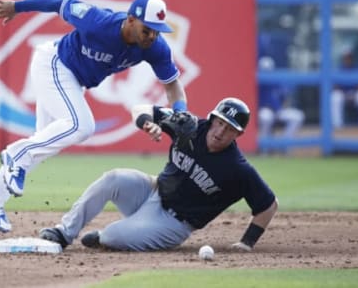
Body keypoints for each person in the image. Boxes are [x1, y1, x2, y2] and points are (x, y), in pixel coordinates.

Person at [0, 0, 188, 233]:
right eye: (148, 29)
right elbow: (58, 3)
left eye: (158, 30)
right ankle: (15, 152)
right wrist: (16, 7)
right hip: (54, 63)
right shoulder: (99, 21)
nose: (153, 35)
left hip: (74, 81)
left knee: (45, 140)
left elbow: (172, 86)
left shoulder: (154, 48)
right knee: (81, 126)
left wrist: (180, 112)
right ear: (131, 20)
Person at [39, 97, 278, 252]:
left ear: (239, 134)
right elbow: (139, 108)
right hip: (151, 191)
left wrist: (247, 243)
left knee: (112, 236)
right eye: (220, 123)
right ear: (213, 118)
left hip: (174, 223)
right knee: (113, 178)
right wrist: (146, 123)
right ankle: (64, 232)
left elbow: (268, 205)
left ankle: (107, 236)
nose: (221, 131)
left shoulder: (238, 169)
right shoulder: (190, 126)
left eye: (230, 129)